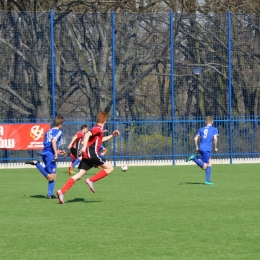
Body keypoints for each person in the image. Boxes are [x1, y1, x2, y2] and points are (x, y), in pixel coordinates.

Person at [56, 111, 120, 204]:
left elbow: (100, 139)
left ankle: (61, 191)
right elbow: (87, 134)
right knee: (110, 168)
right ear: (104, 121)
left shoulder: (97, 129)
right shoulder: (98, 128)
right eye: (106, 120)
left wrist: (112, 135)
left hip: (86, 156)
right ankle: (91, 180)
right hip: (92, 154)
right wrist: (85, 146)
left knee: (79, 175)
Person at [25, 116, 66, 198]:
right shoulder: (59, 131)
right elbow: (53, 141)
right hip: (50, 155)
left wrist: (57, 151)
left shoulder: (47, 131)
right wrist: (56, 153)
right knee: (51, 177)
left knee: (54, 175)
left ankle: (50, 195)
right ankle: (37, 164)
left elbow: (48, 145)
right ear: (60, 124)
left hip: (46, 153)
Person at [186, 116, 218, 185]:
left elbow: (195, 139)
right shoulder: (214, 129)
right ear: (212, 122)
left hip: (201, 148)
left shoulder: (201, 129)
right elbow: (215, 139)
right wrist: (215, 147)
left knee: (210, 162)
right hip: (207, 149)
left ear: (205, 122)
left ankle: (208, 180)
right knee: (204, 166)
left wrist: (197, 147)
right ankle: (194, 158)